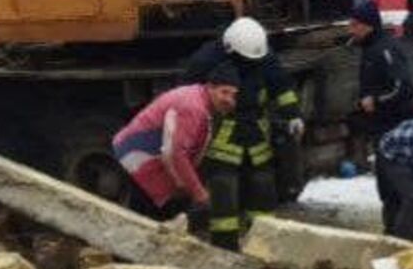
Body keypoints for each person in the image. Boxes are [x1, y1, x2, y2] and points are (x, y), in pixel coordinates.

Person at [179, 17, 303, 248]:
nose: (250, 63)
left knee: (264, 197)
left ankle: (264, 253)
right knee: (224, 204)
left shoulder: (262, 55)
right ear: (230, 49)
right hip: (222, 144)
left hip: (257, 141)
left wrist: (292, 114)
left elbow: (281, 85)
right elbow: (186, 93)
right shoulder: (208, 58)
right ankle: (226, 253)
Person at [112, 67, 241, 230]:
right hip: (139, 160)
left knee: (149, 220)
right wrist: (198, 192)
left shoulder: (198, 97)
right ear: (210, 87)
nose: (229, 100)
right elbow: (176, 154)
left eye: (234, 95)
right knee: (147, 224)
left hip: (140, 156)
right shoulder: (193, 108)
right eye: (224, 92)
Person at [352, 0, 413, 136]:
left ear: (368, 25)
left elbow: (402, 87)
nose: (351, 30)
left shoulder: (385, 49)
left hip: (395, 125)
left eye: (355, 25)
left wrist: (374, 100)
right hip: (379, 123)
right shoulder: (369, 48)